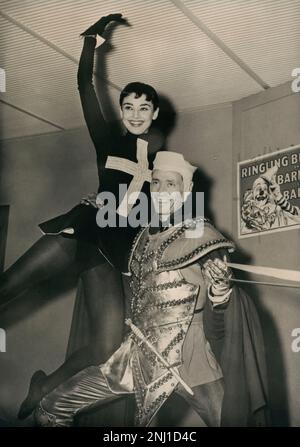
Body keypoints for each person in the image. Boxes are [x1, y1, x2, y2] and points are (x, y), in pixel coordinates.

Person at [0, 14, 164, 419]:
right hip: (82, 234)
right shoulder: (108, 139)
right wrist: (92, 41)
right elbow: (84, 87)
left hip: (114, 255)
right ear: (122, 112)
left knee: (106, 346)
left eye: (144, 107)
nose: (136, 113)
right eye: (129, 106)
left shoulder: (166, 165)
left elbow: (163, 217)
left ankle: (46, 383)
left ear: (155, 113)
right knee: (6, 289)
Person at [34, 151, 269, 427]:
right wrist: (96, 207)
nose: (161, 191)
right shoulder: (143, 237)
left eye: (171, 184)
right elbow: (108, 237)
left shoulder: (203, 235)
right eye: (156, 183)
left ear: (187, 190)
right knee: (51, 408)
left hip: (192, 359)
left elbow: (221, 306)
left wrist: (219, 286)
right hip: (137, 356)